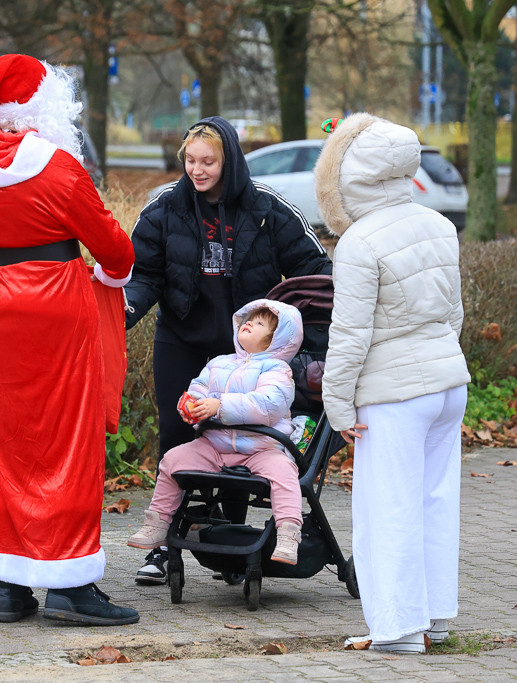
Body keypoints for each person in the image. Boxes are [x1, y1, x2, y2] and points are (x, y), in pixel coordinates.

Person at [0, 53, 138, 626]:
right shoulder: (56, 166)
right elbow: (115, 250)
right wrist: (112, 276)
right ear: (41, 107)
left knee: (1, 441)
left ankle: (10, 586)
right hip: (54, 306)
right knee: (65, 443)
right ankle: (70, 584)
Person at [124, 116, 332, 585]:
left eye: (208, 162)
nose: (197, 171)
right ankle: (166, 543)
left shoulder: (266, 209)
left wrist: (308, 345)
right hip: (181, 337)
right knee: (179, 432)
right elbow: (144, 273)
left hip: (246, 347)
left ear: (230, 160)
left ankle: (230, 536)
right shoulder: (165, 207)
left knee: (239, 431)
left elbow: (316, 271)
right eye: (190, 161)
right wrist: (126, 309)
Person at [315, 113, 469, 654]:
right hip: (448, 382)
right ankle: (433, 616)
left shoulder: (359, 241)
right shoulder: (439, 224)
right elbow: (454, 313)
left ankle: (400, 630)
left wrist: (335, 405)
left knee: (386, 510)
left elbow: (350, 336)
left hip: (394, 393)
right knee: (434, 501)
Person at [127, 300, 304, 565]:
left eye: (259, 324)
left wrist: (220, 406)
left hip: (261, 447)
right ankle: (158, 523)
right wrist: (190, 405)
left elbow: (269, 405)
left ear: (275, 340)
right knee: (172, 461)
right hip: (215, 444)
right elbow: (198, 388)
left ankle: (288, 534)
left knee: (284, 473)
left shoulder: (278, 370)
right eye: (248, 320)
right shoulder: (219, 363)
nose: (249, 324)